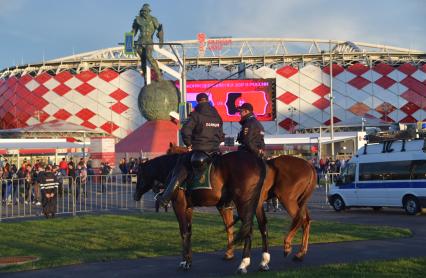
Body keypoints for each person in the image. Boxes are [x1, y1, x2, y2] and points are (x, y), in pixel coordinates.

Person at [156, 92, 224, 207]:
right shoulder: (217, 116)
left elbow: (185, 131)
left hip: (200, 149)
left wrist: (189, 144)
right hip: (214, 151)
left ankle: (165, 198)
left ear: (198, 101)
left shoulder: (196, 115)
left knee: (181, 169)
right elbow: (221, 135)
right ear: (208, 100)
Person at [131, 3, 164, 83]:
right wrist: (129, 42)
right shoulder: (137, 20)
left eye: (146, 11)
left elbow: (159, 29)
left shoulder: (153, 19)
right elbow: (133, 32)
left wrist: (160, 37)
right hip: (139, 42)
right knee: (143, 60)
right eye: (142, 11)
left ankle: (158, 74)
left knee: (149, 56)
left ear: (149, 11)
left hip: (149, 41)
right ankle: (145, 76)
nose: (144, 12)